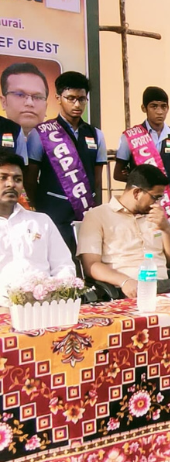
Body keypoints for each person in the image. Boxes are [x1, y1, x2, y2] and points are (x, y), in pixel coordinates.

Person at [24, 71, 107, 255]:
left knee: (87, 260)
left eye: (82, 99)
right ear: (58, 98)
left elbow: (97, 179)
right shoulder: (41, 133)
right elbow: (30, 180)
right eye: (71, 98)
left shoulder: (96, 134)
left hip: (85, 212)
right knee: (55, 261)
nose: (77, 105)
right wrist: (42, 207)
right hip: (52, 213)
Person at [77, 165, 170, 299]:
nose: (157, 203)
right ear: (136, 193)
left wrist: (166, 229)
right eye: (155, 197)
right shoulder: (97, 216)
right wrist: (124, 281)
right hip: (126, 290)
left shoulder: (156, 216)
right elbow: (91, 265)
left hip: (164, 288)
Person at [0, 149, 75, 305]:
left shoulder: (41, 221)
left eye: (17, 179)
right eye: (3, 178)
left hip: (46, 306)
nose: (11, 184)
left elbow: (63, 265)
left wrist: (57, 295)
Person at [114, 87, 170, 203]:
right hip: (141, 201)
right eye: (154, 106)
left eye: (163, 106)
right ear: (144, 108)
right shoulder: (130, 136)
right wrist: (141, 183)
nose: (159, 112)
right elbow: (117, 174)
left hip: (169, 201)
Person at [0, 62, 49, 134]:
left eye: (38, 97)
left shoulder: (63, 139)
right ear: (4, 102)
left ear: (46, 107)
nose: (30, 103)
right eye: (20, 95)